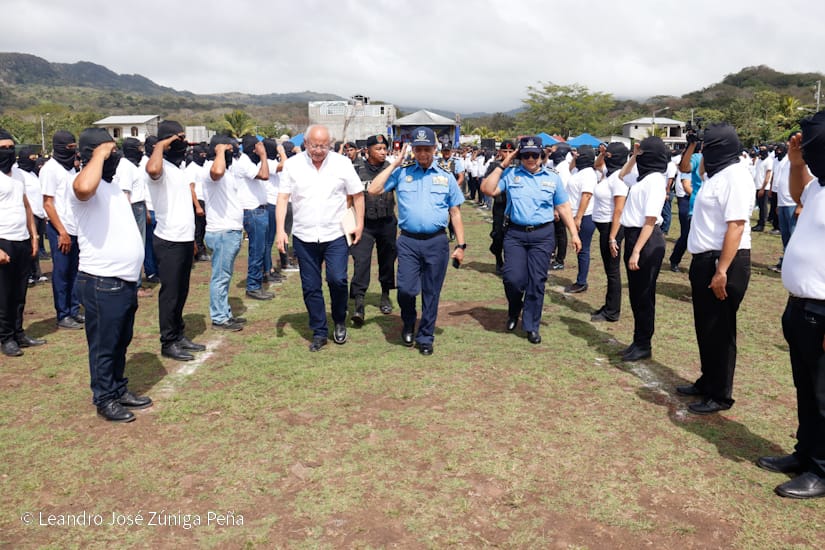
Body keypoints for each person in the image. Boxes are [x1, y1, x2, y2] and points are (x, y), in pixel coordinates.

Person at [757, 115, 825, 499]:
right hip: (800, 307)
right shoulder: (820, 188)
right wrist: (797, 163)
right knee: (805, 388)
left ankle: (822, 469)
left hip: (823, 310)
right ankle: (805, 454)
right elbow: (801, 194)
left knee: (823, 395)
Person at [71, 128, 151, 422]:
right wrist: (99, 154)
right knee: (104, 345)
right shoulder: (82, 185)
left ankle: (118, 388)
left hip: (124, 280)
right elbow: (82, 187)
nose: (114, 155)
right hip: (101, 281)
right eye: (109, 151)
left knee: (120, 340)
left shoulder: (113, 187)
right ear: (92, 154)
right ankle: (104, 397)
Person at [676, 123, 753, 414]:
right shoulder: (717, 173)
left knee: (720, 329)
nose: (704, 149)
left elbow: (735, 225)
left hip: (724, 261)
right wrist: (695, 145)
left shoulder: (736, 176)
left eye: (708, 145)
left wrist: (722, 270)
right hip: (705, 259)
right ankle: (707, 380)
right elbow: (696, 171)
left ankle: (720, 394)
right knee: (705, 325)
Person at [368, 127, 465, 355]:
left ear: (434, 149)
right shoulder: (402, 173)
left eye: (427, 149)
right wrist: (394, 163)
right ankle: (409, 321)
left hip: (436, 242)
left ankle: (425, 337)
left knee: (432, 292)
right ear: (412, 150)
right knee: (406, 290)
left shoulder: (445, 176)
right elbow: (373, 189)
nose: (423, 154)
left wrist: (461, 245)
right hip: (409, 242)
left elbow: (456, 212)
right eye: (418, 149)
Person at [481, 136, 580, 344]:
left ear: (542, 155)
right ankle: (514, 309)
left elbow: (563, 207)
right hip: (515, 234)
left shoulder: (552, 178)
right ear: (520, 155)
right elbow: (487, 190)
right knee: (512, 279)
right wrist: (505, 162)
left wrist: (574, 233)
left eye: (535, 155)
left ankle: (531, 325)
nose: (530, 159)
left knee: (537, 281)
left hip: (542, 236)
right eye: (525, 155)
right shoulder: (511, 174)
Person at [276, 125, 364, 352]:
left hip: (334, 233)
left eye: (324, 146)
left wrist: (360, 223)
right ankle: (319, 331)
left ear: (330, 145)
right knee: (310, 286)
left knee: (337, 279)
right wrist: (280, 230)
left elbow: (357, 194)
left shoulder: (341, 163)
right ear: (305, 143)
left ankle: (339, 319)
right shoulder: (293, 165)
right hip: (304, 236)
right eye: (314, 145)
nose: (318, 150)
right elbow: (283, 198)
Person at [146, 121, 205, 361]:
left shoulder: (178, 169)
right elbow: (152, 169)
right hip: (168, 240)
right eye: (176, 140)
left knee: (181, 291)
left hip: (183, 239)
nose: (181, 145)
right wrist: (161, 144)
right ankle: (168, 341)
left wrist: (191, 240)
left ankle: (179, 335)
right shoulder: (158, 168)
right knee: (170, 293)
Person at [619, 137, 668, 361]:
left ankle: (644, 343)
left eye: (645, 153)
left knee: (644, 294)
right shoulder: (642, 178)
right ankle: (638, 340)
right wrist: (635, 155)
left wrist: (637, 250)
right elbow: (622, 175)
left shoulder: (656, 180)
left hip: (646, 240)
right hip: (633, 237)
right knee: (636, 293)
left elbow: (650, 220)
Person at [0, 129, 44, 357]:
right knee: (4, 293)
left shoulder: (17, 175)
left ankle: (19, 333)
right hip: (3, 240)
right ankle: (5, 337)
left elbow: (26, 206)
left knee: (20, 291)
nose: (7, 152)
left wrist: (34, 235)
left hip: (22, 239)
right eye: (2, 148)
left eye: (10, 147)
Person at [350, 134, 397, 325]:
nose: (383, 152)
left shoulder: (390, 169)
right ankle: (359, 304)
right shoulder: (355, 169)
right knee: (361, 262)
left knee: (387, 261)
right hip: (365, 224)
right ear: (367, 150)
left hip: (386, 222)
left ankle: (385, 294)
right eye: (378, 149)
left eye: (385, 148)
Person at [41, 130, 84, 329]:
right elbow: (48, 204)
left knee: (75, 272)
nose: (73, 151)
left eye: (74, 147)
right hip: (60, 229)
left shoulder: (71, 169)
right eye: (69, 147)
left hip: (76, 228)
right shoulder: (50, 169)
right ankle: (63, 313)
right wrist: (62, 232)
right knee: (62, 273)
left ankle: (74, 310)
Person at [203, 136, 246, 331]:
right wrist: (220, 150)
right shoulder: (210, 169)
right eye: (229, 150)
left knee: (224, 275)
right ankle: (219, 317)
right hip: (221, 232)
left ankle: (225, 312)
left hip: (229, 231)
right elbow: (216, 171)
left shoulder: (227, 171)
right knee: (220, 276)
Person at [593, 142, 630, 322]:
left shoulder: (619, 179)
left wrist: (612, 237)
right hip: (604, 227)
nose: (605, 157)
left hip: (612, 228)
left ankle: (612, 311)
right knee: (609, 270)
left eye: (607, 155)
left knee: (613, 271)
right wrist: (601, 153)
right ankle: (609, 305)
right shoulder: (610, 173)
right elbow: (597, 165)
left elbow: (619, 210)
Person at [235, 135, 272, 299]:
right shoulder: (243, 162)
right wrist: (264, 156)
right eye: (259, 146)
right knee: (257, 250)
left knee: (260, 249)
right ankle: (253, 286)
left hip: (257, 210)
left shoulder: (247, 161)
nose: (261, 149)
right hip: (253, 211)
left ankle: (256, 283)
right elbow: (265, 175)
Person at [116, 137, 153, 298]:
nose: (141, 151)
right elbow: (125, 193)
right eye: (139, 148)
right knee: (135, 247)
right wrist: (128, 217)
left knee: (139, 246)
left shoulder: (132, 166)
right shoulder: (126, 167)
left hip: (139, 206)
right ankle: (134, 285)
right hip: (132, 208)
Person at [565, 144, 597, 294]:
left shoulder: (589, 174)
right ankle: (581, 279)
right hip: (574, 215)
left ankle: (582, 281)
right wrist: (573, 157)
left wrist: (578, 217)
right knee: (580, 249)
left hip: (584, 217)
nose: (575, 156)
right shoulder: (580, 171)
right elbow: (570, 169)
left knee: (583, 249)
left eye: (578, 155)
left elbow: (587, 195)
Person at [482, 140, 516, 276]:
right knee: (498, 235)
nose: (507, 154)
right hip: (500, 206)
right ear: (500, 152)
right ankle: (498, 259)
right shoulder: (494, 166)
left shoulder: (518, 166)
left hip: (514, 206)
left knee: (510, 236)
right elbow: (485, 183)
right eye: (505, 151)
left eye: (510, 151)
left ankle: (509, 263)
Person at [670, 136, 704, 272]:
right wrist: (701, 197)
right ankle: (674, 260)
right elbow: (686, 184)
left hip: (702, 203)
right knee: (686, 234)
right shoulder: (694, 160)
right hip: (687, 200)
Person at [16, 146, 48, 286]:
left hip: (39, 214)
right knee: (29, 246)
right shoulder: (19, 174)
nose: (34, 161)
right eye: (31, 158)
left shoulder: (33, 174)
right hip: (29, 215)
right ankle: (28, 274)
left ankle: (37, 273)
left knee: (36, 244)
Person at [752, 145, 772, 232]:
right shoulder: (759, 160)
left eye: (763, 149)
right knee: (760, 206)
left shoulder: (769, 161)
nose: (761, 151)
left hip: (764, 187)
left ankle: (762, 224)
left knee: (763, 207)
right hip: (757, 186)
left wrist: (763, 188)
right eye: (760, 149)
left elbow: (768, 176)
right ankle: (759, 223)